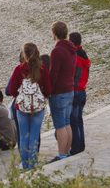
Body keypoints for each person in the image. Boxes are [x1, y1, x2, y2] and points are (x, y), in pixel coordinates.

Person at [8, 42, 51, 170]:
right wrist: (40, 97)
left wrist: (20, 97)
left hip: (22, 108)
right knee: (34, 136)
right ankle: (32, 163)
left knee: (23, 136)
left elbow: (11, 90)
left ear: (24, 55)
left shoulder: (18, 69)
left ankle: (24, 163)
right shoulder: (42, 69)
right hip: (38, 107)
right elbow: (48, 89)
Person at [48, 21, 76, 162]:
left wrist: (49, 90)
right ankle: (67, 151)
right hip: (69, 88)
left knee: (60, 126)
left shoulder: (57, 51)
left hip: (59, 91)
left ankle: (62, 154)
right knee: (67, 123)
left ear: (54, 33)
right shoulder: (71, 49)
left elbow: (54, 73)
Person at [69, 31, 90, 155]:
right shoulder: (84, 55)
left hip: (75, 90)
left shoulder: (75, 57)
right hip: (82, 89)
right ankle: (81, 145)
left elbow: (73, 74)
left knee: (74, 120)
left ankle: (76, 147)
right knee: (79, 119)